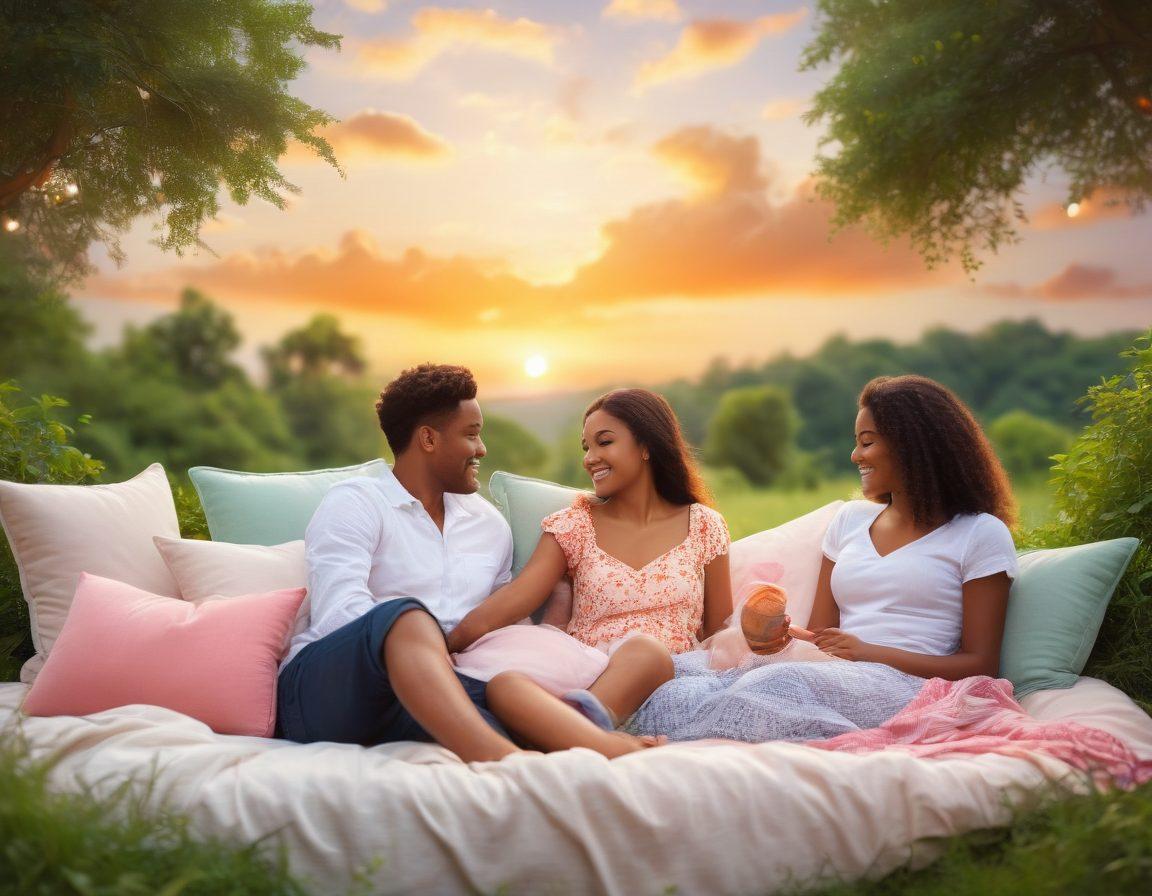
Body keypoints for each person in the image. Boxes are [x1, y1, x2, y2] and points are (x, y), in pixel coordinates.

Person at [276, 364, 663, 761]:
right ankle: (504, 761)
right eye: (472, 435)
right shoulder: (357, 501)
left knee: (512, 698)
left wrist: (552, 628)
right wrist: (422, 648)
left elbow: (504, 625)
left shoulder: (487, 524)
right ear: (428, 438)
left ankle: (568, 747)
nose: (482, 449)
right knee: (407, 619)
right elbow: (338, 611)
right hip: (334, 686)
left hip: (436, 693)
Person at [629, 374, 1020, 743]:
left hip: (907, 684)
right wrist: (776, 636)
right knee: (681, 673)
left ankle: (650, 740)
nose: (855, 455)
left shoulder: (979, 533)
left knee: (774, 687)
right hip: (834, 670)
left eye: (867, 442)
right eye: (857, 441)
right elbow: (820, 635)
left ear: (913, 446)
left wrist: (867, 652)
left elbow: (980, 663)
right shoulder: (850, 521)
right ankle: (608, 730)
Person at [447, 388, 787, 736]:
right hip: (590, 672)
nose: (589, 458)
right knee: (511, 686)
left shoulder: (703, 525)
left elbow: (717, 631)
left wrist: (763, 635)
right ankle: (577, 727)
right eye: (586, 447)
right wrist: (448, 643)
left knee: (646, 653)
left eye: (604, 442)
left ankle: (566, 731)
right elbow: (515, 598)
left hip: (674, 680)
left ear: (646, 447)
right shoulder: (574, 525)